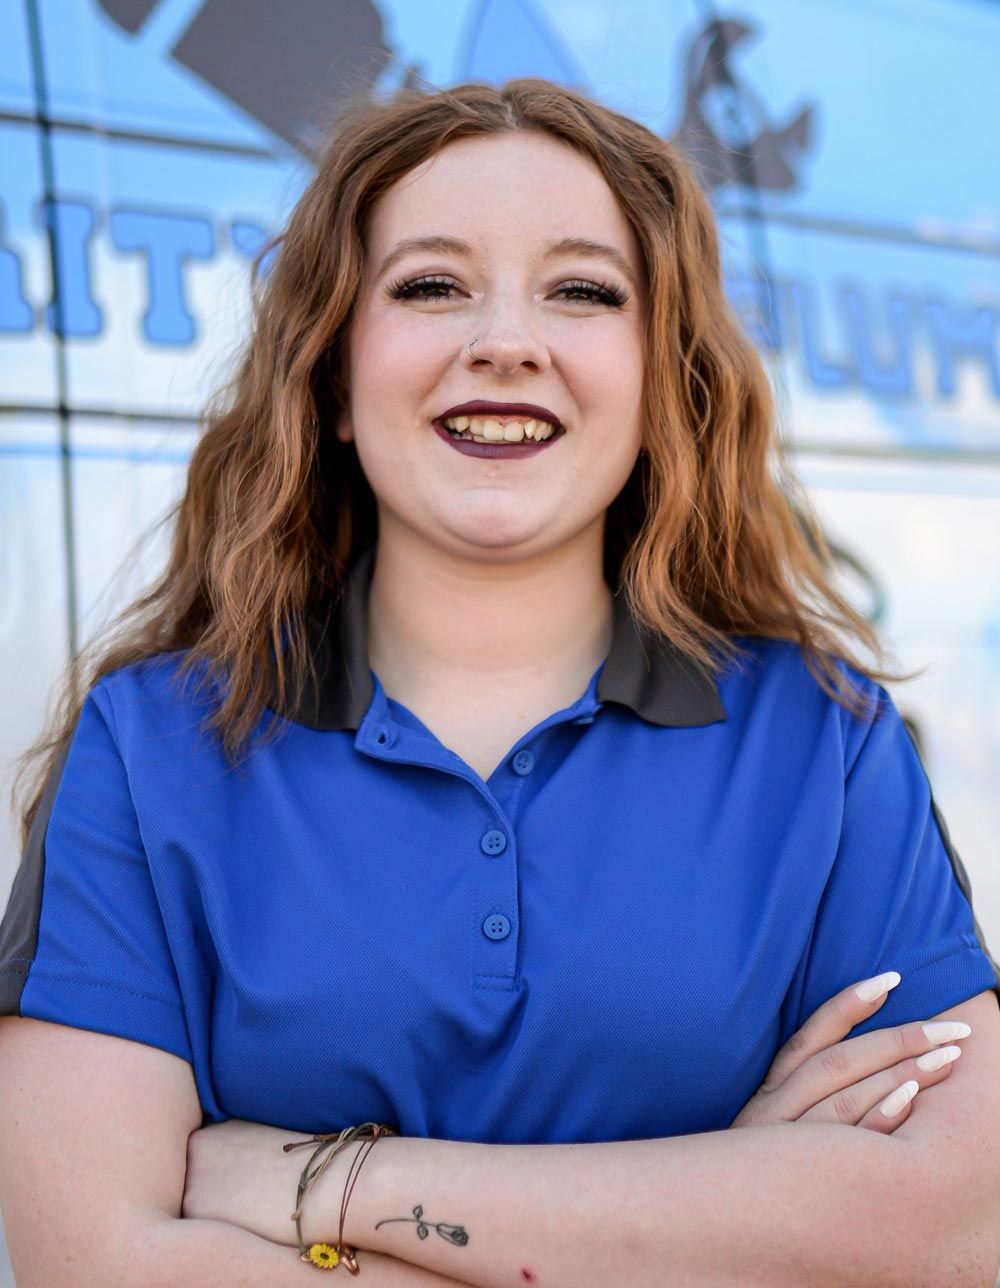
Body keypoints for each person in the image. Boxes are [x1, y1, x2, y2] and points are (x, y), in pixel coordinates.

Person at [1, 77, 999, 1286]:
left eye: (581, 290)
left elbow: (952, 1227)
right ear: (329, 379)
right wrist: (730, 1216)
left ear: (659, 382)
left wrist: (319, 1184)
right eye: (431, 284)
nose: (505, 339)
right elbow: (97, 1264)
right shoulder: (149, 746)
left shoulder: (822, 740)